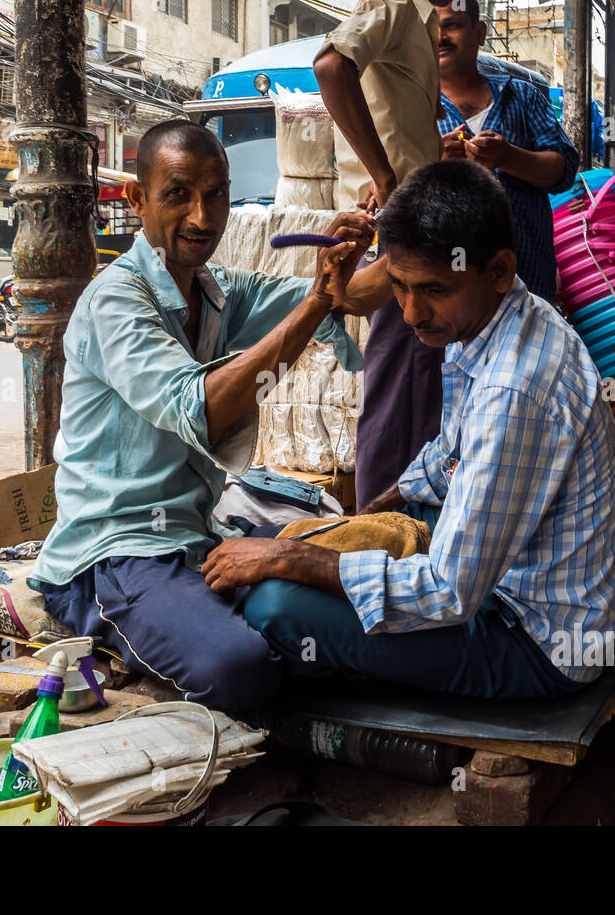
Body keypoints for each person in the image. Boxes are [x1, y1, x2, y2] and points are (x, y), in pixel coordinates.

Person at [201, 160, 615, 699]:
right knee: (269, 543)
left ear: (497, 268)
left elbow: (450, 592)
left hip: (538, 642)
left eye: (432, 290)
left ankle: (347, 662)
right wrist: (368, 514)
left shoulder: (512, 391)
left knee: (276, 604)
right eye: (398, 287)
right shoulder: (504, 315)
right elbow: (445, 457)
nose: (410, 313)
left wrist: (296, 560)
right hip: (505, 584)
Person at [28, 120, 379, 711]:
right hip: (114, 555)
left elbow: (348, 294)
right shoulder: (117, 299)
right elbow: (202, 411)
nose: (202, 216)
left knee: (341, 605)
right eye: (178, 194)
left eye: (216, 192)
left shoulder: (214, 292)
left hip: (195, 537)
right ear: (137, 200)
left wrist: (385, 230)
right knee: (238, 667)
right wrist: (321, 298)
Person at [314, 0, 458, 508]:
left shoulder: (411, 15)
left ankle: (403, 533)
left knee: (417, 385)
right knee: (400, 389)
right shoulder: (395, 4)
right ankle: (376, 537)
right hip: (404, 234)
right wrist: (383, 174)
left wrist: (399, 168)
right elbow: (331, 66)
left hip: (413, 225)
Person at [436, 0, 578, 301]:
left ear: (480, 33)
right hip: (451, 288)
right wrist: (437, 165)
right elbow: (395, 193)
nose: (440, 38)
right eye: (431, 29)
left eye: (453, 25)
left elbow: (563, 170)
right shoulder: (416, 108)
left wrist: (508, 156)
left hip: (529, 282)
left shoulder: (522, 95)